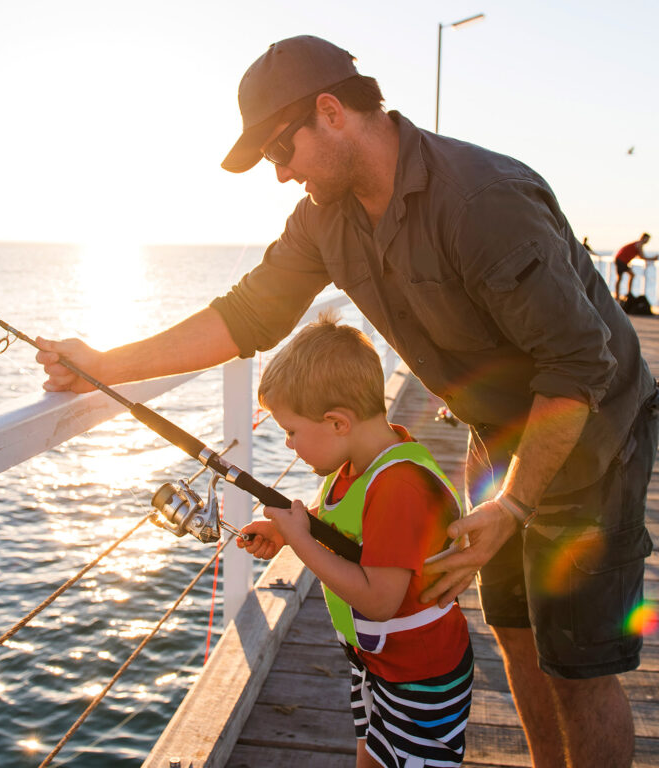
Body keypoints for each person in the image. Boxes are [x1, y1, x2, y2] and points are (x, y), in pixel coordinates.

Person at [37, 35, 657, 766]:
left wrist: (514, 506)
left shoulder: (481, 201)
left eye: (279, 150)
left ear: (331, 113)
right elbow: (247, 316)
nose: (278, 175)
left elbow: (583, 360)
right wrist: (106, 362)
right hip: (497, 430)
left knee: (577, 670)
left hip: (589, 433)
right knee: (518, 639)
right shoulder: (325, 218)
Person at [239, 313, 473, 768]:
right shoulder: (353, 469)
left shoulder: (398, 486)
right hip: (376, 665)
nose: (288, 445)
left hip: (420, 679)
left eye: (291, 431)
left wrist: (301, 543)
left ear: (337, 423)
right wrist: (287, 534)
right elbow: (345, 531)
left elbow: (381, 601)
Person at [613, 232, 653, 299]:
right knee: (622, 278)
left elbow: (639, 256)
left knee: (628, 276)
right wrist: (653, 258)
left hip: (621, 260)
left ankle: (625, 294)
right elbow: (642, 256)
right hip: (621, 260)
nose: (647, 241)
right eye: (647, 239)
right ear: (643, 238)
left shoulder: (637, 243)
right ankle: (620, 295)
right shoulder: (639, 244)